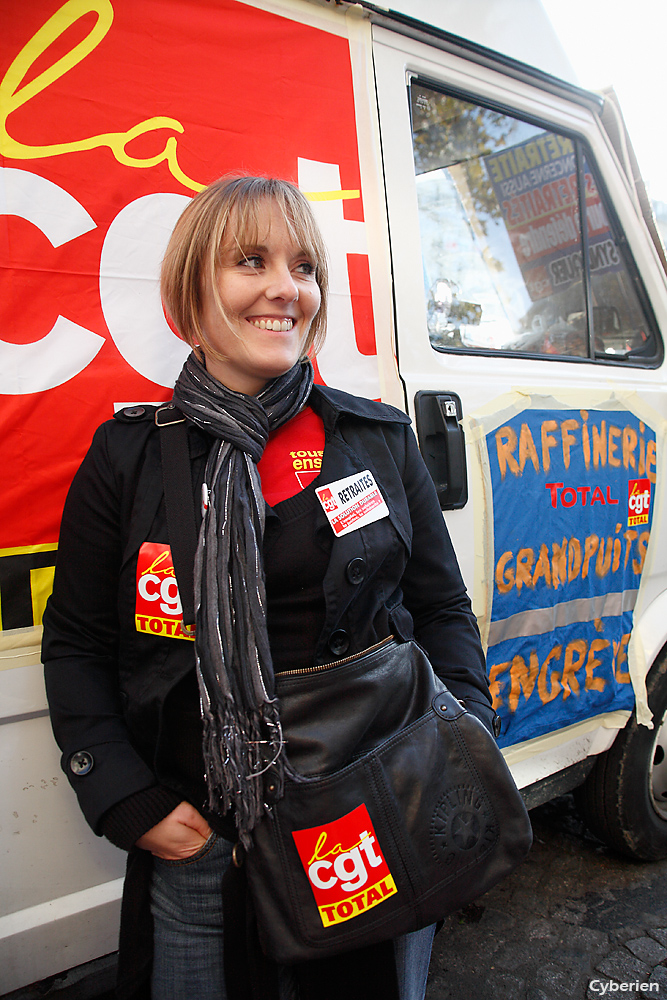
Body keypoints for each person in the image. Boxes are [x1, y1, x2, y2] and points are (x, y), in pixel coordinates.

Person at [42, 176, 496, 1000]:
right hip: (202, 841)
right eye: (250, 261)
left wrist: (460, 733)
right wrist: (124, 796)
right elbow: (77, 644)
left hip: (367, 826)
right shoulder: (127, 458)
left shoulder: (376, 439)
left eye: (304, 267)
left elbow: (439, 609)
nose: (286, 288)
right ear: (193, 288)